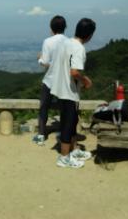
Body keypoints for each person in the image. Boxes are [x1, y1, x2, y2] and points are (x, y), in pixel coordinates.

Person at [50, 18, 96, 168]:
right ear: (90, 35)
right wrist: (85, 81)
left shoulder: (66, 42)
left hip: (60, 88)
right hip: (69, 92)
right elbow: (74, 72)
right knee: (68, 124)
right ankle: (64, 157)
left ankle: (74, 149)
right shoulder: (79, 48)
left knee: (72, 121)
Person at [32, 15, 68, 146]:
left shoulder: (48, 41)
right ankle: (63, 133)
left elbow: (45, 62)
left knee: (43, 108)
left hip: (50, 80)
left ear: (51, 28)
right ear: (65, 28)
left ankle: (41, 135)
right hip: (63, 81)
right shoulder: (69, 42)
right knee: (63, 108)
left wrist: (39, 58)